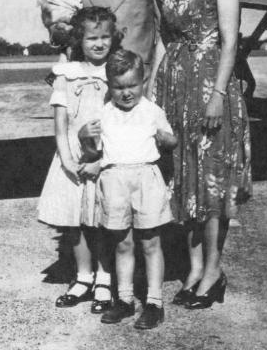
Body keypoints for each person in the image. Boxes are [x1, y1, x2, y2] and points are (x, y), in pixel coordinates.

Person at [152, 0, 252, 310]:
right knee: (183, 182)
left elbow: (230, 44)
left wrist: (216, 96)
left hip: (212, 91)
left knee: (211, 186)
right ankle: (194, 268)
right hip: (175, 90)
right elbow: (163, 40)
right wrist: (152, 98)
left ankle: (213, 272)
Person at [37, 6, 123, 314]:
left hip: (105, 161)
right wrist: (67, 159)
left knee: (100, 222)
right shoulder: (66, 74)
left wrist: (102, 160)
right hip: (71, 158)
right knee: (73, 223)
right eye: (91, 38)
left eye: (104, 37)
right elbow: (60, 126)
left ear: (114, 38)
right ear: (79, 40)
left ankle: (104, 277)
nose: (98, 44)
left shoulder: (117, 73)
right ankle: (83, 277)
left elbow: (122, 123)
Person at [96, 50, 177, 330]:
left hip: (146, 177)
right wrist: (84, 138)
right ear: (110, 86)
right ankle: (125, 299)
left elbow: (170, 141)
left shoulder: (152, 111)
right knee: (123, 243)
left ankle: (154, 303)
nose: (126, 92)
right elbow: (93, 150)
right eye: (119, 87)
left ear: (143, 82)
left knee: (151, 242)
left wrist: (166, 138)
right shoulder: (104, 113)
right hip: (115, 178)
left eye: (132, 85)